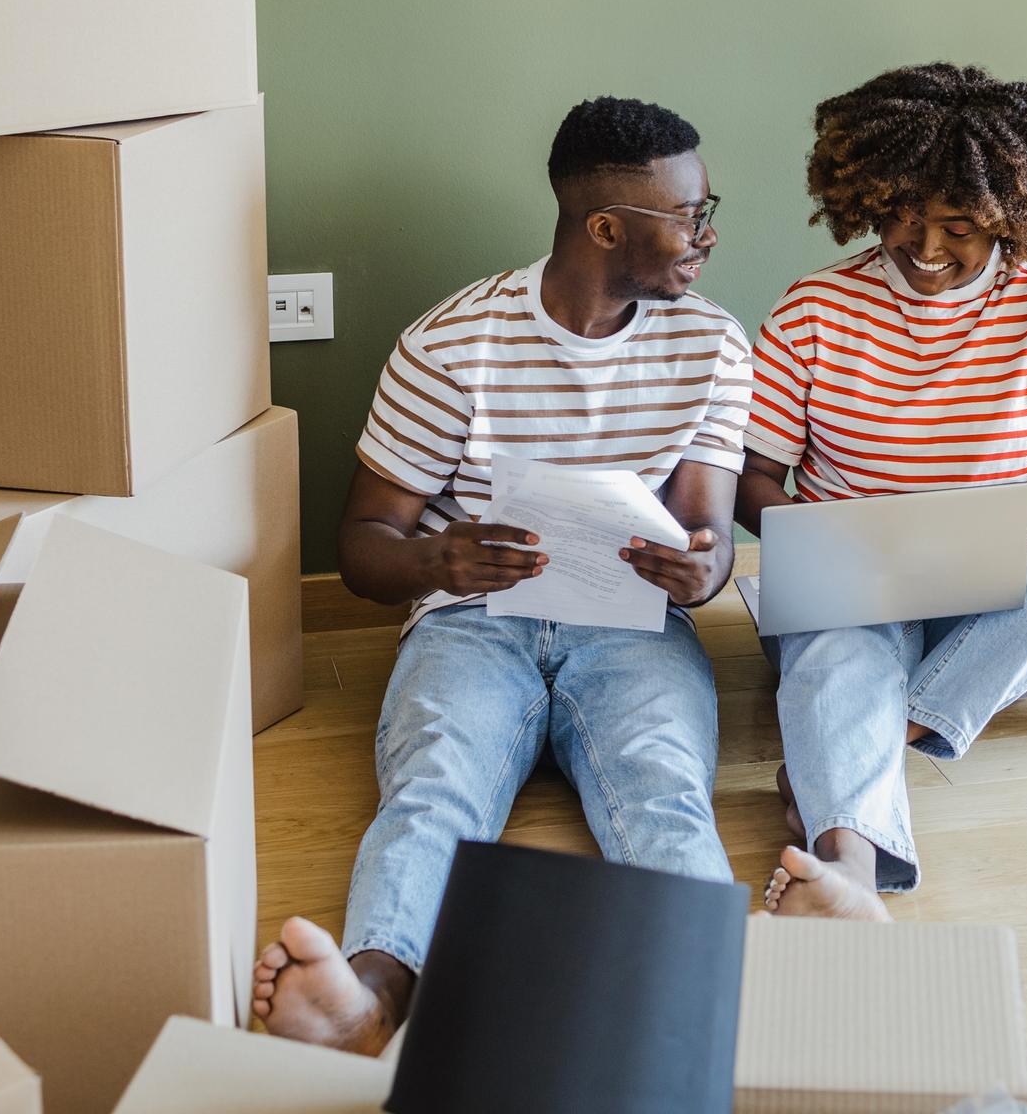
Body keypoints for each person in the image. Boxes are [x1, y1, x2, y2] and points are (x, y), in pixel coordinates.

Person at [251, 96, 750, 1053]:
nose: (706, 234)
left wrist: (702, 573)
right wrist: (439, 560)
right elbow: (362, 546)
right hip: (470, 620)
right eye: (687, 217)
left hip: (634, 623)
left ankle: (702, 998)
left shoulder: (714, 343)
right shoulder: (452, 344)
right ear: (606, 227)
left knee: (662, 782)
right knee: (438, 782)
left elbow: (709, 533)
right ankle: (369, 994)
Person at [737, 62, 1027, 920]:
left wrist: (944, 539)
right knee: (839, 640)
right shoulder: (817, 309)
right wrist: (840, 545)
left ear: (1013, 212)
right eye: (901, 218)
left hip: (990, 609)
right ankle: (845, 870)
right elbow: (750, 477)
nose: (926, 250)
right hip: (850, 585)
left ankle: (866, 742)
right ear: (867, 199)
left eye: (958, 226)